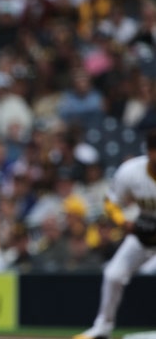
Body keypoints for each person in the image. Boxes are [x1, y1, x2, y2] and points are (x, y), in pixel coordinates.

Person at [73, 129, 156, 339]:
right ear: (149, 151)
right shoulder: (132, 171)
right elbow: (111, 202)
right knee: (113, 274)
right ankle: (102, 328)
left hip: (148, 227)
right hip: (144, 232)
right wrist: (123, 222)